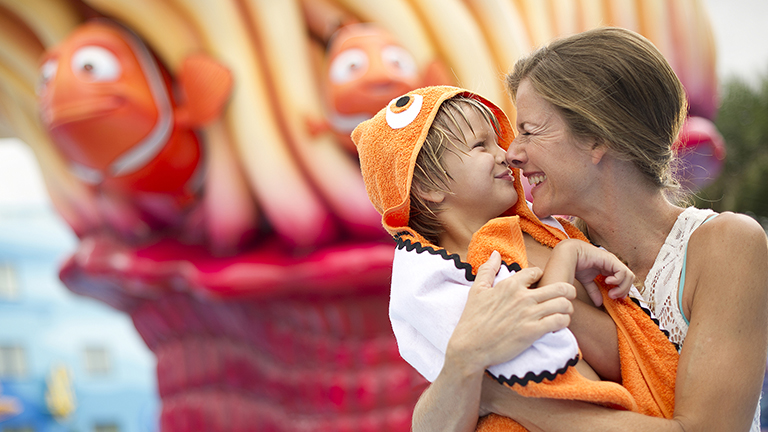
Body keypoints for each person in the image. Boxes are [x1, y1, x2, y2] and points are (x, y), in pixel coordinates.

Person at [412, 27, 768, 432]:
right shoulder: (541, 245)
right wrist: (461, 361)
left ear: (596, 138)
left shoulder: (727, 244)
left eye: (528, 130)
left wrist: (506, 398)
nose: (512, 153)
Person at [352, 85, 681, 431]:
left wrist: (565, 255)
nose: (505, 154)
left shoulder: (542, 237)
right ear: (428, 188)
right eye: (480, 145)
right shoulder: (432, 286)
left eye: (497, 140)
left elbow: (623, 356)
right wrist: (565, 260)